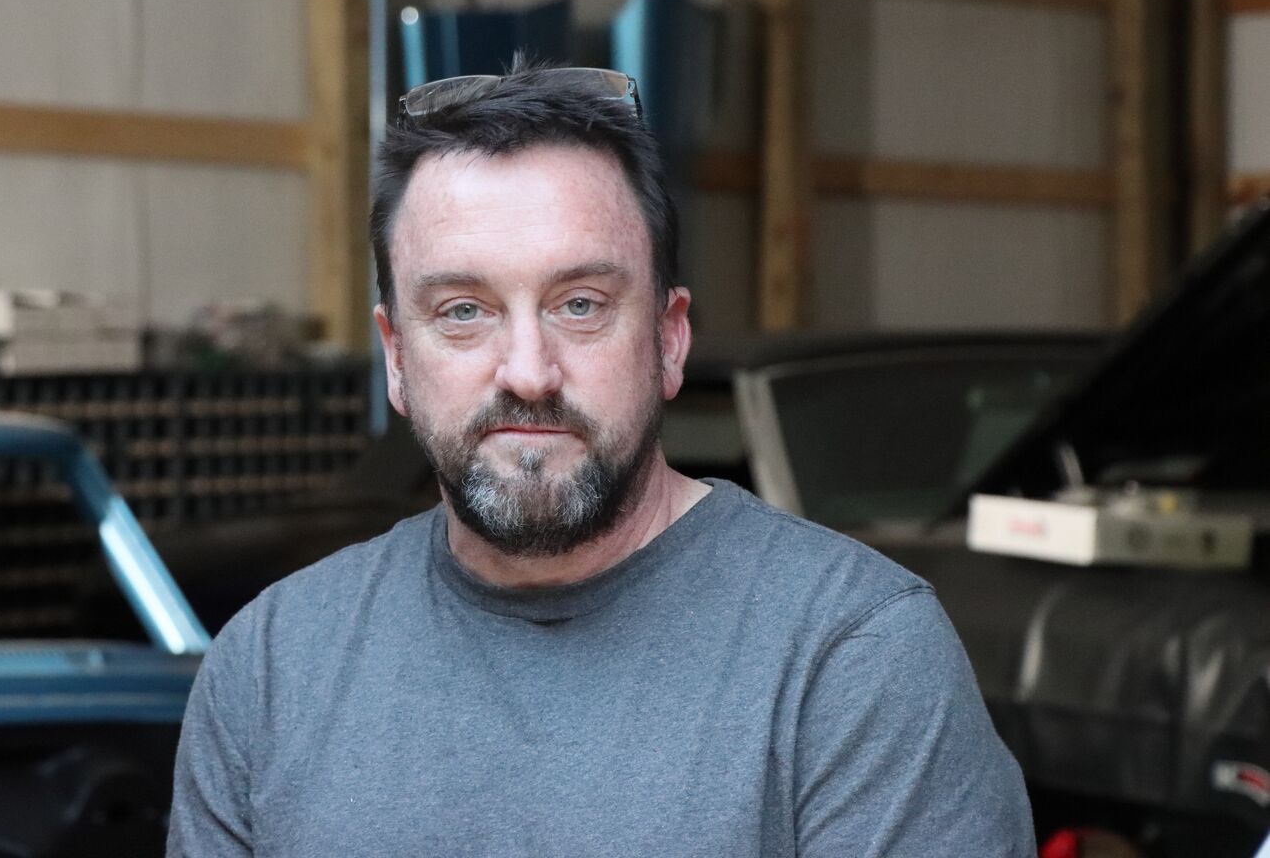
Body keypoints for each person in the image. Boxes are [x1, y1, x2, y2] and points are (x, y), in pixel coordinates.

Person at [167, 64, 1035, 857]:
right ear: (397, 355)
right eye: (463, 311)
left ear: (668, 337)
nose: (528, 373)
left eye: (579, 304)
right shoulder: (271, 667)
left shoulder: (850, 657)